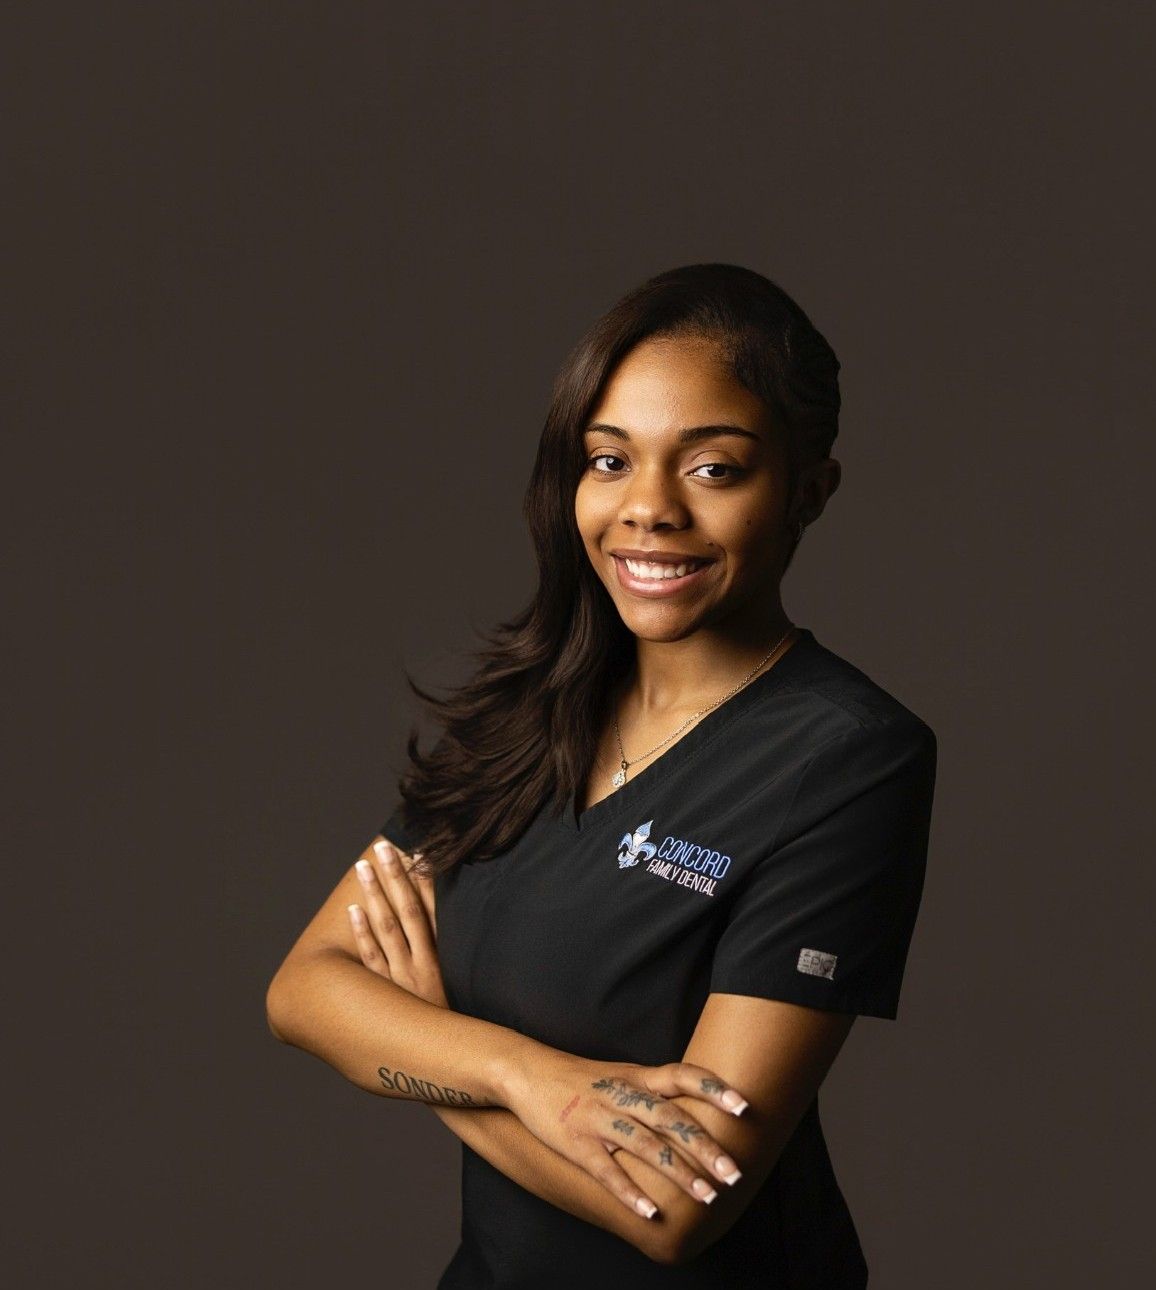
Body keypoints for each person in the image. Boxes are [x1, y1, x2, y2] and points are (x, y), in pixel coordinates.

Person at [266, 262, 938, 1288]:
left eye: (713, 468)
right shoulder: (531, 707)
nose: (649, 509)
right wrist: (527, 1079)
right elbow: (306, 991)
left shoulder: (849, 755)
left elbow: (674, 1210)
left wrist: (426, 1052)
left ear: (809, 490)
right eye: (609, 459)